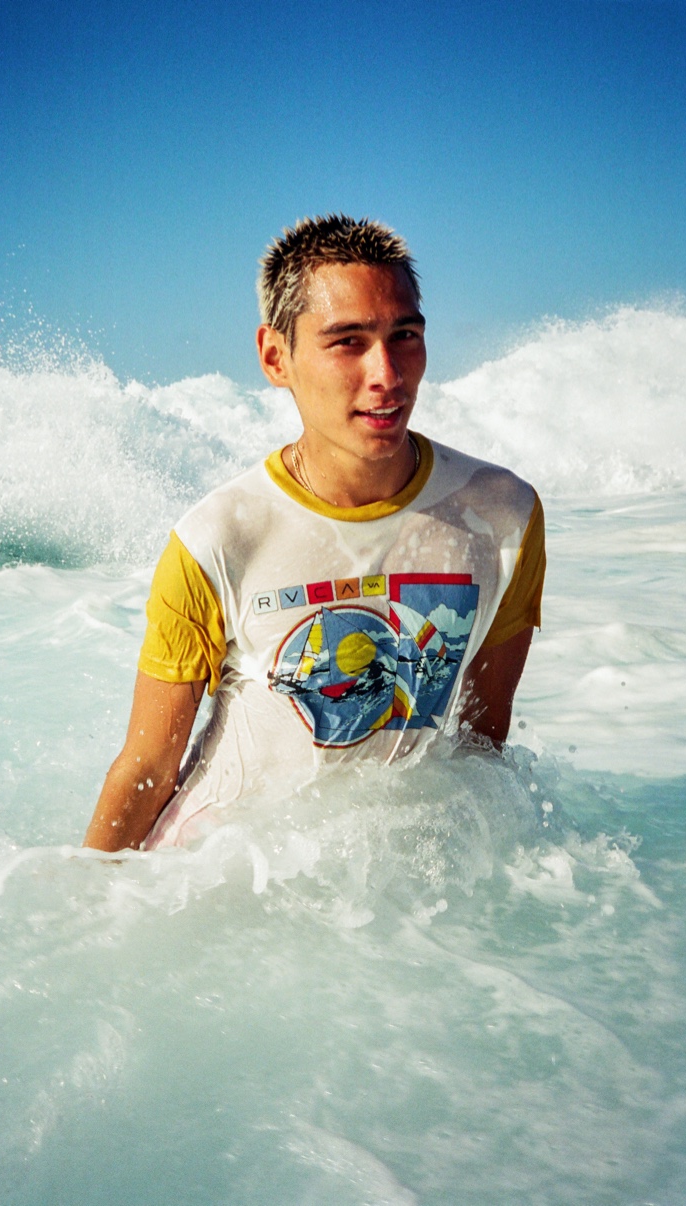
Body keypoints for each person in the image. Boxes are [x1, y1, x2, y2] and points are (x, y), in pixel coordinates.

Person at [84, 214, 545, 853]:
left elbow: (479, 746)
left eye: (404, 334)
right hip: (217, 872)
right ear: (277, 357)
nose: (387, 373)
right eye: (347, 341)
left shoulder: (500, 517)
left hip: (378, 889)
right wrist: (86, 917)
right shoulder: (219, 539)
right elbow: (147, 768)